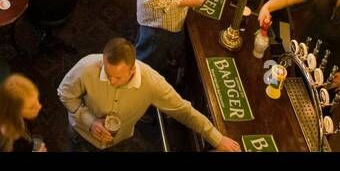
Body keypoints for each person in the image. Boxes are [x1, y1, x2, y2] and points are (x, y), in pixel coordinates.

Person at [57, 37, 239, 152]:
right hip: (81, 137)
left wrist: (217, 138)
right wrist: (91, 121)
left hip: (118, 143)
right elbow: (65, 94)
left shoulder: (152, 83)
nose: (110, 80)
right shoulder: (87, 67)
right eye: (107, 72)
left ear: (132, 69)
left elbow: (183, 111)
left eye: (117, 77)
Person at [0, 74, 46, 152]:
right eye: (31, 107)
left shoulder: (4, 98)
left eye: (37, 99)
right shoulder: (5, 143)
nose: (39, 106)